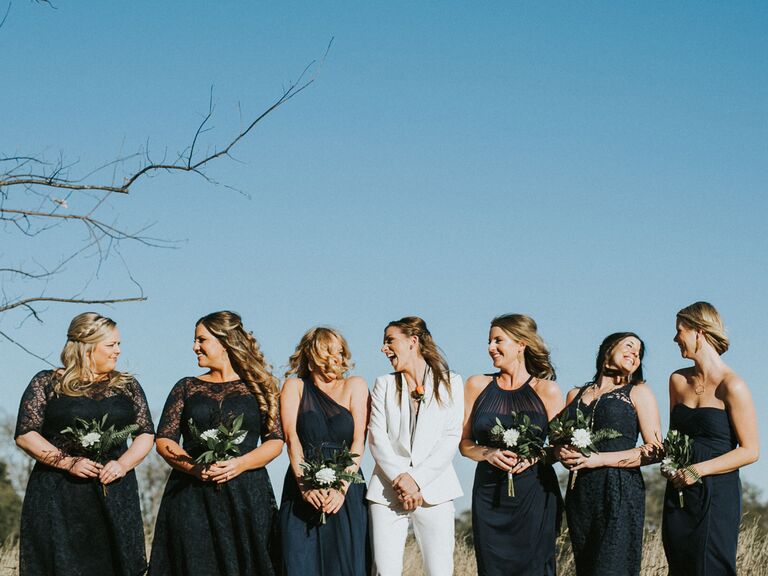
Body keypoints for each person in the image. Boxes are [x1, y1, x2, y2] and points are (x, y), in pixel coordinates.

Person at [14, 312, 155, 576]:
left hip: (114, 492)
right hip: (59, 494)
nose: (118, 351)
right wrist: (68, 462)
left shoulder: (127, 386)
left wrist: (123, 465)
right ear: (87, 346)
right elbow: (26, 434)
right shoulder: (47, 383)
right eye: (111, 344)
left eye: (119, 344)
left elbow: (145, 434)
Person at [149, 311, 284, 576]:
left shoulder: (259, 387)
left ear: (224, 342)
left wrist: (239, 464)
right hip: (191, 496)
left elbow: (275, 442)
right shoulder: (186, 387)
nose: (194, 347)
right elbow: (164, 440)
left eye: (201, 340)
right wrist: (193, 467)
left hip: (246, 495)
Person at [460, 314, 564, 576]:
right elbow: (464, 443)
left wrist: (534, 457)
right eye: (489, 341)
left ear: (521, 344)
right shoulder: (476, 385)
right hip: (489, 495)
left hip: (534, 494)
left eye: (498, 340)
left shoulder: (547, 390)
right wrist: (487, 452)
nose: (491, 347)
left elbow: (560, 447)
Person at [662, 302, 759, 575]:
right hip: (679, 492)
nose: (675, 338)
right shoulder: (677, 381)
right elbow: (674, 440)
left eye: (679, 330)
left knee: (711, 567)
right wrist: (666, 461)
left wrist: (699, 470)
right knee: (680, 566)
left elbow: (751, 451)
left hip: (716, 492)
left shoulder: (733, 385)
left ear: (699, 332)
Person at [557, 332, 662, 576]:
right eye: (629, 346)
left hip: (620, 489)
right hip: (580, 492)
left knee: (611, 568)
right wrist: (561, 451)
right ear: (607, 350)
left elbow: (656, 450)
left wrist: (599, 459)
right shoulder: (575, 394)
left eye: (639, 353)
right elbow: (561, 438)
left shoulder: (638, 391)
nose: (635, 354)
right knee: (586, 567)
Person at [367, 316, 464, 576]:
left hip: (436, 490)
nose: (383, 348)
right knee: (385, 571)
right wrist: (401, 480)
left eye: (390, 341)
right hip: (387, 491)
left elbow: (451, 436)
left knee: (440, 570)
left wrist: (417, 480)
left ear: (413, 341)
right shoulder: (383, 385)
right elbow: (376, 436)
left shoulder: (451, 382)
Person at [279, 327, 370, 575]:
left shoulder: (356, 386)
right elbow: (291, 438)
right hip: (302, 484)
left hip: (346, 486)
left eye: (339, 352)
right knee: (298, 561)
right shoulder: (294, 387)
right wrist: (305, 487)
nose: (336, 359)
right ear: (311, 356)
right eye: (328, 352)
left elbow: (359, 440)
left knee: (345, 564)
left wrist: (341, 489)